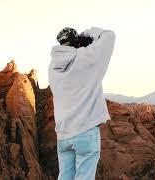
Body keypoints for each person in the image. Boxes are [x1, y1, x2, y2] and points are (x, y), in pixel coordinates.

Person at [48, 26, 115, 180]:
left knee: (65, 176)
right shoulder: (86, 57)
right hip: (85, 131)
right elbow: (109, 35)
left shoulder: (52, 68)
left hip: (63, 134)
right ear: (77, 41)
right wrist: (86, 34)